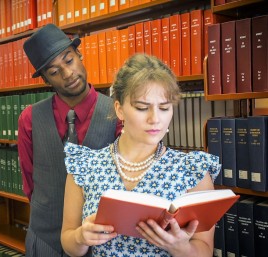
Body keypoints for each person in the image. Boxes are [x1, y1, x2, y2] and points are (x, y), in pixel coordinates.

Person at [61, 53, 221, 257]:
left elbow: (205, 251)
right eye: (142, 107)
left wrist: (180, 248)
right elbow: (68, 241)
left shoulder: (193, 171)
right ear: (119, 109)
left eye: (164, 108)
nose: (155, 119)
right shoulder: (85, 166)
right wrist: (80, 237)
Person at [18, 23, 121, 257]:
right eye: (54, 72)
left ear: (79, 55)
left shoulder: (117, 113)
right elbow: (29, 180)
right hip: (45, 240)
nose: (67, 74)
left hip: (100, 241)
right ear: (45, 79)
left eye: (69, 60)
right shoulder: (29, 118)